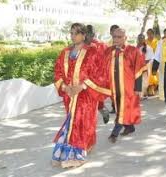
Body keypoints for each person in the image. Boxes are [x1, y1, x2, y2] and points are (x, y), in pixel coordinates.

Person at [52, 23, 111, 168]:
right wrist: (65, 87)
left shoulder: (93, 51)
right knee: (71, 122)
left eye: (76, 33)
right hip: (70, 95)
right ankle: (65, 152)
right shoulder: (65, 52)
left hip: (86, 95)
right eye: (71, 33)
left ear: (83, 35)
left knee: (80, 123)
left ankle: (77, 155)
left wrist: (82, 86)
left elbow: (100, 74)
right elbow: (58, 72)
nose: (72, 36)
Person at [104, 28, 146, 143]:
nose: (116, 39)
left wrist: (138, 87)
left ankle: (114, 133)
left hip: (128, 87)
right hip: (114, 87)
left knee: (123, 108)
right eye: (114, 37)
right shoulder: (109, 52)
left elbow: (139, 70)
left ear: (125, 38)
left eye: (119, 37)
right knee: (119, 108)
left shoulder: (133, 51)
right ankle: (129, 127)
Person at [85, 24, 110, 124]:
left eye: (88, 34)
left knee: (95, 100)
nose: (87, 36)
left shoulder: (100, 46)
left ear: (93, 34)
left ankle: (102, 113)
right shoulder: (83, 46)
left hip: (96, 78)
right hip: (89, 78)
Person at [137, 33, 155, 99]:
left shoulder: (148, 48)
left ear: (144, 39)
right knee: (138, 81)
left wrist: (142, 65)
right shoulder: (136, 47)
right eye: (139, 38)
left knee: (144, 81)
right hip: (137, 67)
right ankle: (140, 95)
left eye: (142, 38)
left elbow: (150, 58)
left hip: (145, 66)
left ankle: (143, 95)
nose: (140, 39)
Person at [146, 28, 159, 96]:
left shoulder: (157, 42)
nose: (149, 35)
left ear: (153, 34)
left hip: (155, 61)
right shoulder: (145, 41)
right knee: (148, 75)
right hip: (147, 61)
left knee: (154, 75)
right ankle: (149, 88)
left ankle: (153, 88)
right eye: (148, 34)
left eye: (151, 33)